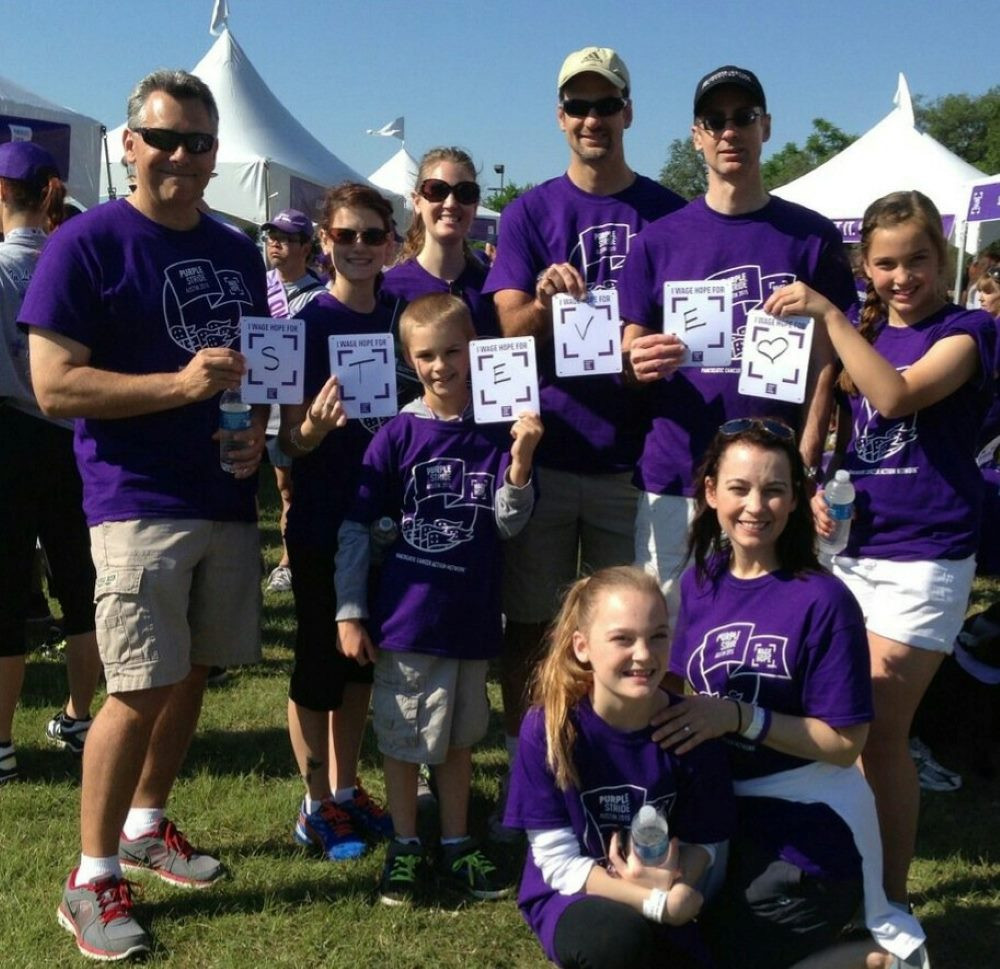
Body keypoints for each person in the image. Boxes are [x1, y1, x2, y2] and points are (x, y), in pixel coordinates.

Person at [22, 69, 270, 961]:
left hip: (223, 496)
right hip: (135, 503)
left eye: (198, 142)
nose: (180, 155)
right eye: (162, 138)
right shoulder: (86, 243)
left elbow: (258, 369)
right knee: (133, 688)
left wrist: (259, 436)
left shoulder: (239, 251)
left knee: (193, 672)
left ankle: (145, 823)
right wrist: (179, 385)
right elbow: (53, 386)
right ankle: (89, 878)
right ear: (128, 145)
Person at [764, 190, 996, 948]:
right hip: (852, 552)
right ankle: (846, 878)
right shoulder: (860, 332)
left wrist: (831, 315)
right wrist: (811, 493)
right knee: (843, 725)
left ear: (944, 259)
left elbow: (894, 398)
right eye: (887, 263)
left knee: (877, 732)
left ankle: (889, 898)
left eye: (918, 260)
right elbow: (835, 432)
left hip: (926, 556)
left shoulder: (970, 332)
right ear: (867, 264)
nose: (903, 277)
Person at [483, 47, 685, 812]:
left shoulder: (668, 210)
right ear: (560, 117)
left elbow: (680, 328)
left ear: (629, 112)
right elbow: (509, 322)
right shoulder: (534, 211)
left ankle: (618, 769)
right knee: (533, 624)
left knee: (631, 633)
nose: (593, 119)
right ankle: (523, 769)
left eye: (607, 105)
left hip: (634, 460)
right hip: (547, 448)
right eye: (579, 107)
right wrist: (546, 299)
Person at [656, 419, 926, 969]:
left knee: (723, 953)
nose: (756, 506)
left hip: (808, 829)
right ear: (710, 493)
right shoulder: (698, 582)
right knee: (661, 934)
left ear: (797, 499)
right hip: (722, 813)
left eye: (775, 489)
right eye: (739, 488)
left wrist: (739, 717)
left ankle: (865, 958)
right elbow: (678, 686)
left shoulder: (824, 601)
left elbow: (845, 744)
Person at [621, 65, 856, 619]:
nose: (730, 131)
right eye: (715, 120)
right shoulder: (658, 241)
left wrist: (806, 456)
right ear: (697, 134)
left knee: (764, 633)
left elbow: (830, 362)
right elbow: (630, 347)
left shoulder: (811, 236)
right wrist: (637, 359)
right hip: (678, 476)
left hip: (773, 483)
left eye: (744, 117)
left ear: (766, 126)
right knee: (665, 639)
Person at [334, 293, 542, 905]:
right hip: (406, 623)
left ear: (476, 347)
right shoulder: (397, 434)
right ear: (408, 359)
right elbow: (355, 529)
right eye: (426, 355)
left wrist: (522, 460)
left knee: (457, 744)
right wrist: (351, 611)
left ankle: (454, 843)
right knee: (402, 745)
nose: (441, 366)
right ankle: (405, 845)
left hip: (472, 621)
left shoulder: (499, 427)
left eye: (453, 351)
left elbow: (508, 524)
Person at [504, 566, 733, 969]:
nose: (643, 655)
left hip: (667, 881)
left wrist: (674, 883)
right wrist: (657, 903)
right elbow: (556, 863)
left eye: (657, 636)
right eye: (622, 639)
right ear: (582, 647)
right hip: (578, 894)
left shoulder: (692, 727)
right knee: (613, 940)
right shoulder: (549, 728)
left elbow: (706, 840)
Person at [277, 183, 396, 863]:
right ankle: (313, 800)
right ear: (324, 241)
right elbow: (285, 443)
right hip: (324, 516)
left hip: (384, 520)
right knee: (318, 662)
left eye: (370, 235)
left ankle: (347, 786)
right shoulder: (304, 326)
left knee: (360, 664)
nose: (357, 246)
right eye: (344, 235)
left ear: (391, 242)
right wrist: (313, 430)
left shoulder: (403, 318)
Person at [0, 141, 102, 783]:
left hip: (9, 436)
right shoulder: (77, 265)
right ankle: (79, 713)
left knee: (6, 591)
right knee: (80, 584)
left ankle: (1, 743)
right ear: (51, 193)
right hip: (77, 434)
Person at [381, 146, 499, 404]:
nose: (451, 203)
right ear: (417, 201)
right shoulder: (388, 291)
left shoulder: (495, 288)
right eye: (437, 190)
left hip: (488, 441)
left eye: (465, 193)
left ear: (475, 205)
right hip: (413, 440)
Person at [260, 208, 325, 594]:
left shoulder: (318, 297)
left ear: (305, 246)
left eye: (285, 238)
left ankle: (288, 561)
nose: (275, 243)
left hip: (294, 405)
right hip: (255, 403)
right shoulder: (257, 285)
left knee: (290, 489)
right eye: (272, 236)